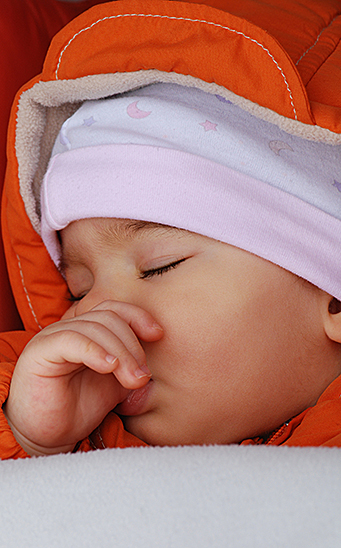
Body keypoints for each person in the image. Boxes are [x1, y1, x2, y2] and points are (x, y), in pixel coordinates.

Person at [1, 0, 341, 458]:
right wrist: (29, 436)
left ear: (334, 297)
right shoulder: (78, 429)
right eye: (78, 291)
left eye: (159, 267)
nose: (98, 311)